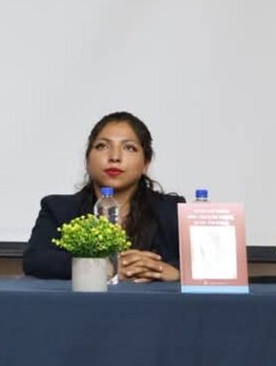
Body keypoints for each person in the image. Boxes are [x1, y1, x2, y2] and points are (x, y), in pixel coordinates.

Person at [23, 112, 184, 282]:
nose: (114, 157)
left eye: (129, 147)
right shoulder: (58, 209)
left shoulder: (172, 210)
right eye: (102, 146)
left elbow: (203, 262)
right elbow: (35, 260)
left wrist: (174, 271)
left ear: (146, 163)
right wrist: (105, 268)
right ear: (87, 160)